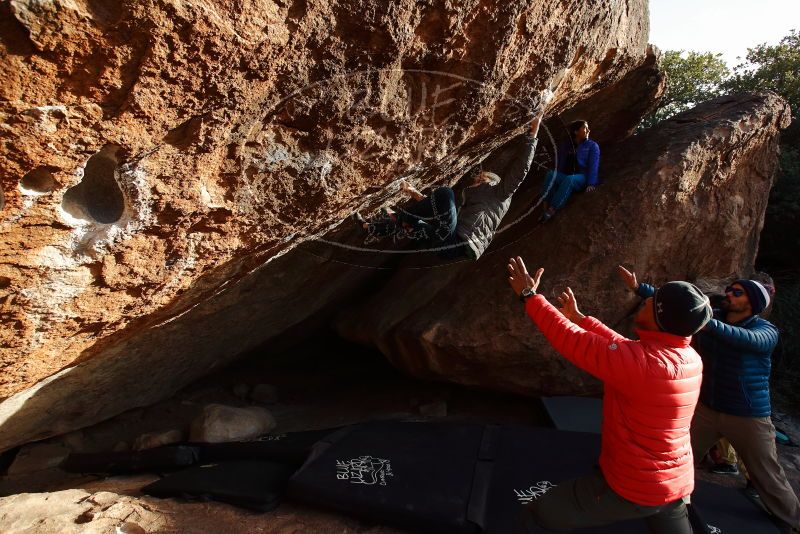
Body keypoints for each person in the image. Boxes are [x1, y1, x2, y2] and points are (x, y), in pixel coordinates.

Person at [507, 257, 711, 533]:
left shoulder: (643, 364)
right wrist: (582, 319)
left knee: (541, 514)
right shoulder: (688, 358)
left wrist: (530, 296)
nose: (645, 301)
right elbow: (624, 348)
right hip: (674, 481)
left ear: (662, 318)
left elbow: (572, 340)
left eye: (653, 302)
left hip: (637, 485)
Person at [619, 267, 800, 532]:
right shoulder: (714, 317)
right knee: (678, 458)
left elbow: (740, 337)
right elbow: (681, 306)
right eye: (730, 289)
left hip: (747, 415)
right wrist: (640, 288)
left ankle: (793, 521)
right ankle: (666, 504)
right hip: (708, 409)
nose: (729, 294)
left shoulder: (765, 331)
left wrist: (701, 318)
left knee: (768, 476)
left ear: (752, 303)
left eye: (737, 292)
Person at [354, 91, 553, 260]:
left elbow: (521, 170)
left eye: (480, 178)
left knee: (445, 194)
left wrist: (533, 132)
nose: (476, 179)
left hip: (457, 245)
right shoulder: (472, 205)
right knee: (415, 222)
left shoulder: (501, 194)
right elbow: (440, 213)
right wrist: (413, 193)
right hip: (447, 245)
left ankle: (391, 220)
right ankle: (371, 227)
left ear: (489, 182)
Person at [538, 119, 600, 222]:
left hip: (583, 177)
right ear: (576, 132)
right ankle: (545, 205)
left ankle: (552, 209)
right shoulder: (566, 146)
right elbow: (561, 162)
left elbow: (594, 165)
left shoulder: (592, 146)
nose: (588, 130)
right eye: (585, 128)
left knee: (569, 179)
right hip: (567, 175)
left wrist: (591, 183)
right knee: (550, 174)